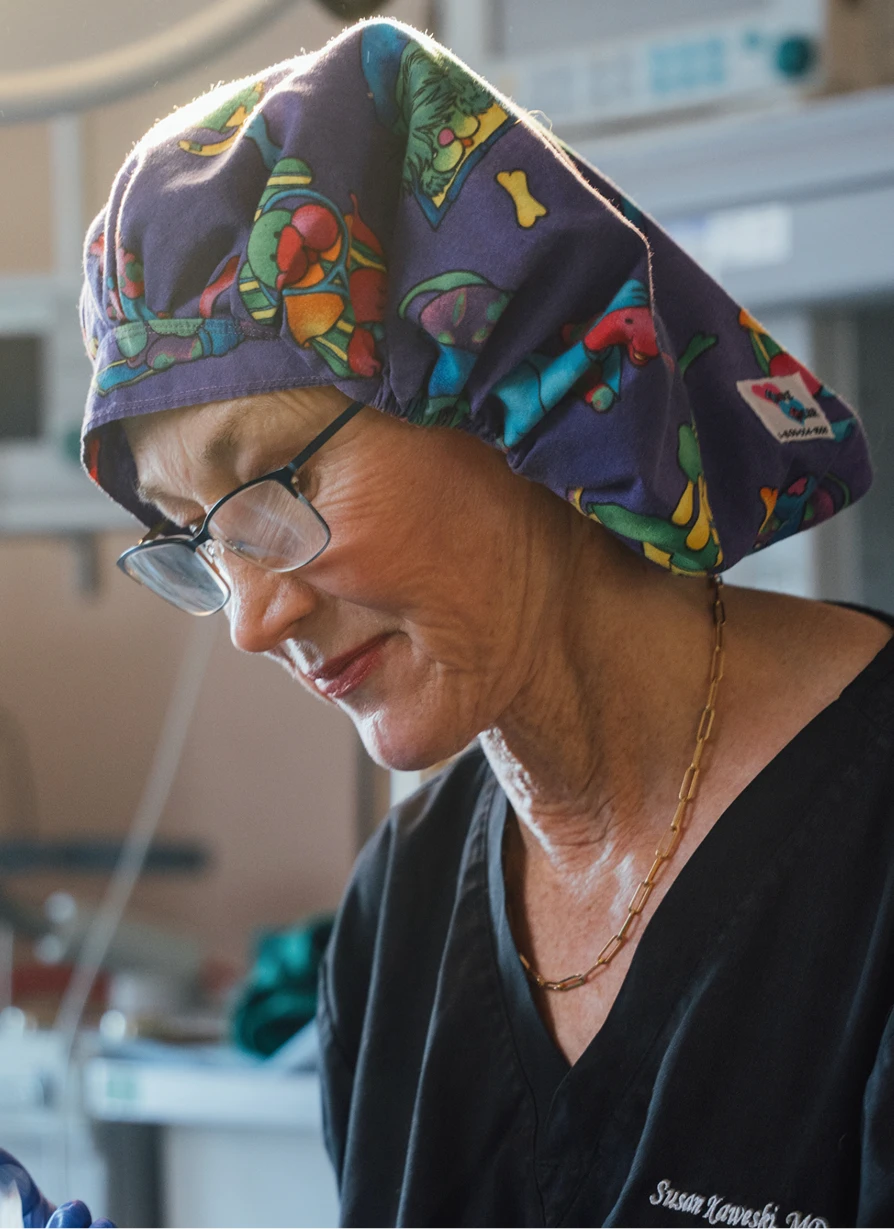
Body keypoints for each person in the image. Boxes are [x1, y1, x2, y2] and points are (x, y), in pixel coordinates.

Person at [66, 17, 894, 1228]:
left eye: (273, 489)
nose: (250, 615)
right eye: (198, 536)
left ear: (504, 384)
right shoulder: (395, 920)